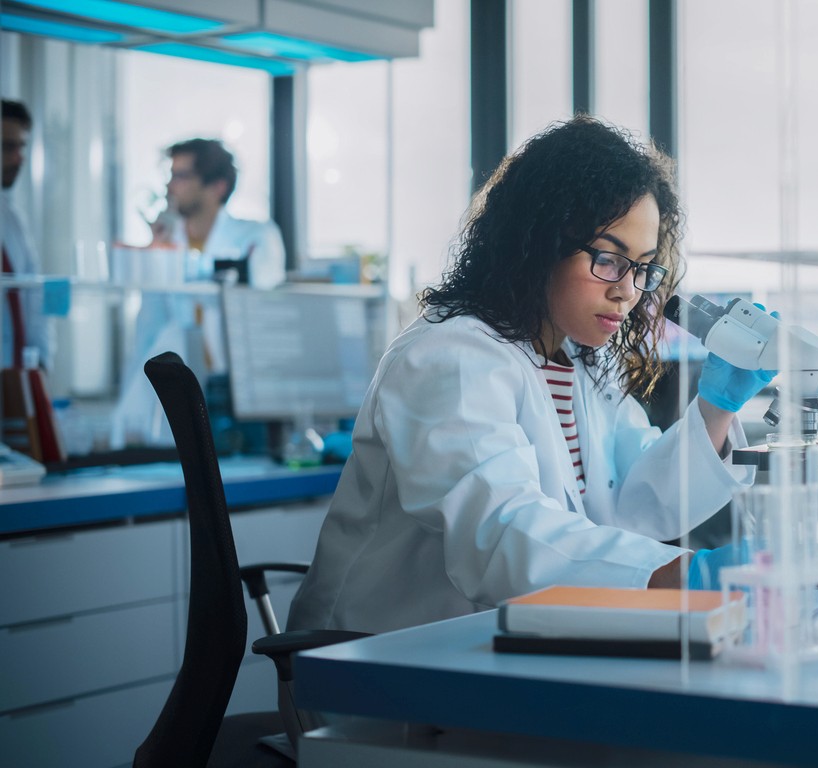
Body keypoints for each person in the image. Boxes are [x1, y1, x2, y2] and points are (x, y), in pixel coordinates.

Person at [289, 116, 775, 634]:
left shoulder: (577, 361)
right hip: (385, 660)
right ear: (539, 241)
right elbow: (500, 535)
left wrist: (719, 406)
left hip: (507, 644)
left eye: (643, 267)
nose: (628, 290)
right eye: (609, 260)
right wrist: (690, 577)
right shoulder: (451, 357)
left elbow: (634, 500)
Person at [151, 138, 285, 289]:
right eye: (171, 175)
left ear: (218, 187)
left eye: (181, 176)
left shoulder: (257, 237)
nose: (170, 186)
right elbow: (152, 309)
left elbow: (263, 306)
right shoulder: (165, 240)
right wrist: (156, 255)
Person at [1, 99, 49, 369]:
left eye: (21, 147)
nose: (20, 158)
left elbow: (34, 296)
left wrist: (41, 360)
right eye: (7, 147)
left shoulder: (12, 218)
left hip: (17, 371)